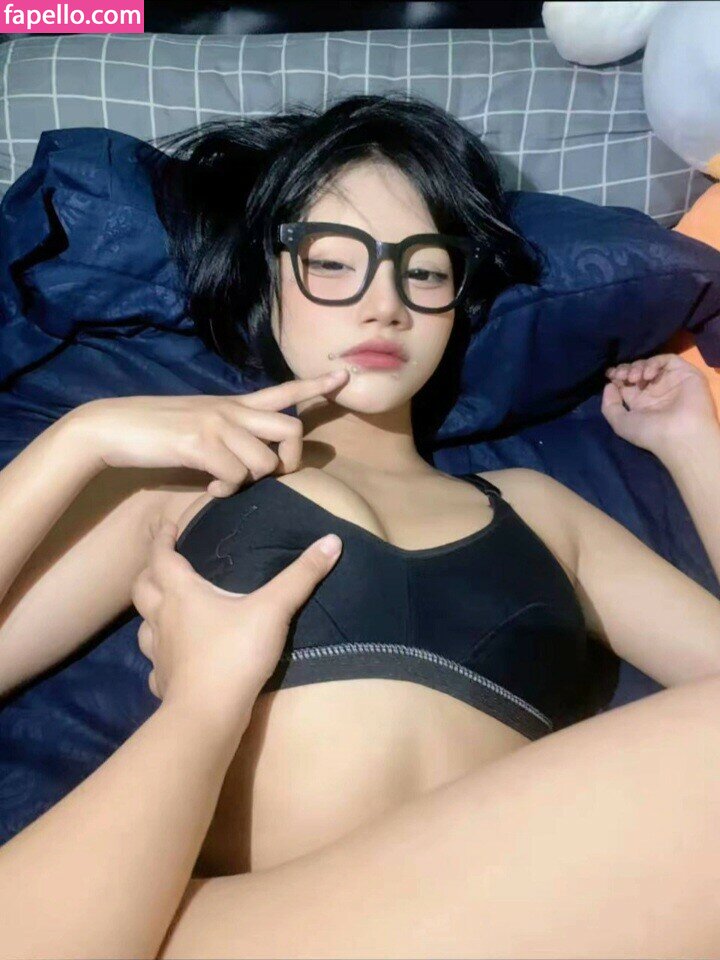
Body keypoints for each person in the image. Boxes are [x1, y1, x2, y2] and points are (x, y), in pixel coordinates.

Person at [1, 93, 720, 959]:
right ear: (267, 277)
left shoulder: (538, 506)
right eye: (334, 262)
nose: (385, 305)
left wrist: (692, 446)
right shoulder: (187, 480)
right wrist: (80, 439)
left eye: (425, 271)